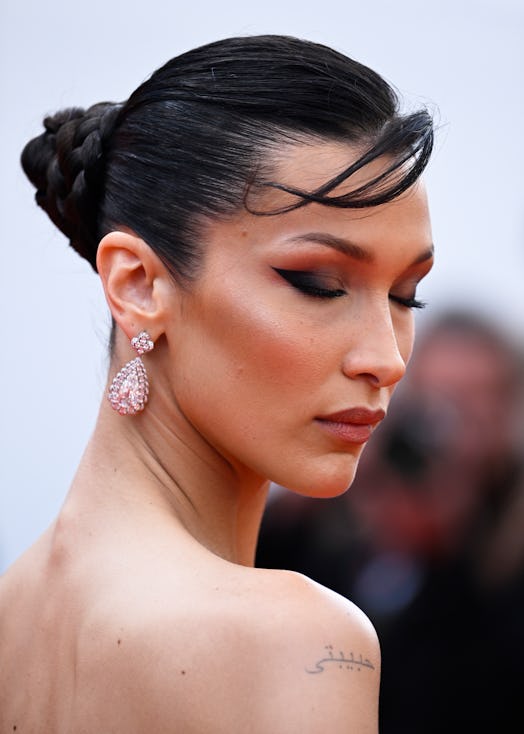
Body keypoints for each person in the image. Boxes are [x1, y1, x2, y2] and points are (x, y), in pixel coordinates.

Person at [0, 35, 434, 732]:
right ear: (137, 284)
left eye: (407, 296)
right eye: (318, 283)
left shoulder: (11, 615)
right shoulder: (298, 640)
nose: (385, 358)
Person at [256, 310, 524, 733]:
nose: (447, 420)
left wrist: (447, 561)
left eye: (474, 399)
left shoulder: (504, 549)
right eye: (435, 396)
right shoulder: (351, 503)